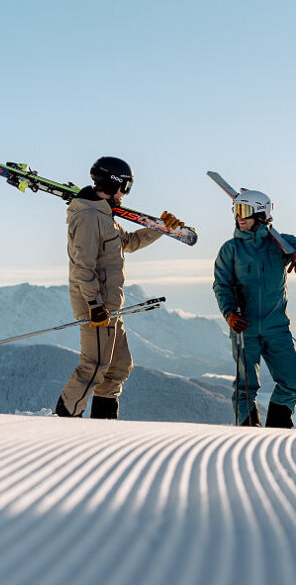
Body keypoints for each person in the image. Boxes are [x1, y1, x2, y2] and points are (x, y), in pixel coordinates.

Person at [54, 156, 184, 420]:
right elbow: (83, 266)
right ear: (114, 184)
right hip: (97, 307)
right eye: (125, 188)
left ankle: (104, 424)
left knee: (119, 366)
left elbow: (129, 242)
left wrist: (159, 229)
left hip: (110, 307)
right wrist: (94, 305)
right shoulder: (90, 217)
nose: (125, 195)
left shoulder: (104, 216)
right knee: (94, 365)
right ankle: (65, 420)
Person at [213, 190, 296, 428]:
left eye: (245, 211)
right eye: (237, 210)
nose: (240, 217)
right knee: (246, 388)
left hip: (276, 327)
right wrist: (229, 313)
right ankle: (248, 433)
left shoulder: (279, 243)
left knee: (292, 380)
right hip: (244, 327)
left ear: (261, 214)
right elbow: (222, 285)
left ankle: (278, 429)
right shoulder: (230, 250)